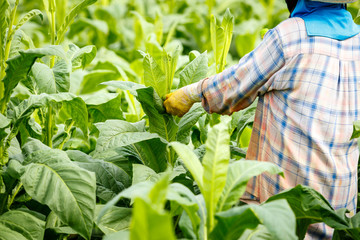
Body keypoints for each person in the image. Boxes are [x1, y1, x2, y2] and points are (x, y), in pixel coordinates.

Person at [164, 0, 360, 239]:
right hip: (341, 211)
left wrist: (189, 94)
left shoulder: (290, 35)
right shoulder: (357, 40)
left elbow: (235, 87)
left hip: (287, 209)